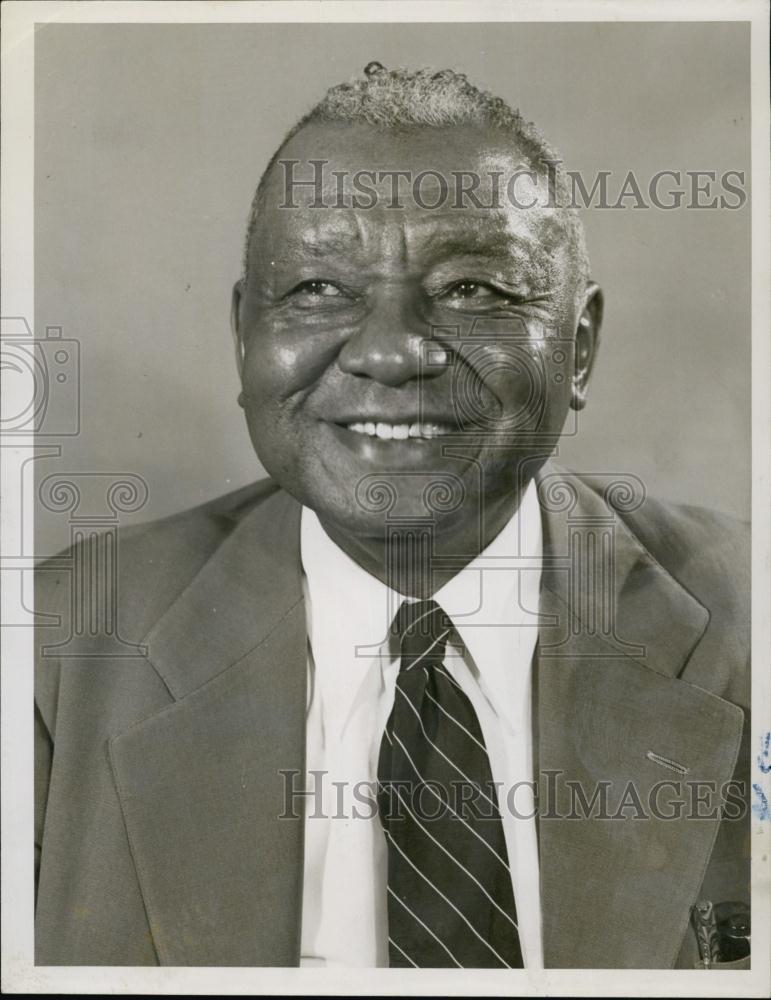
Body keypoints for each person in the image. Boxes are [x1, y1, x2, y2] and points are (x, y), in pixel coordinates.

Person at [34, 64, 750, 969]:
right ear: (243, 335)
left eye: (473, 291)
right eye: (319, 290)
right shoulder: (53, 655)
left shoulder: (745, 626)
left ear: (577, 347)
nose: (392, 351)